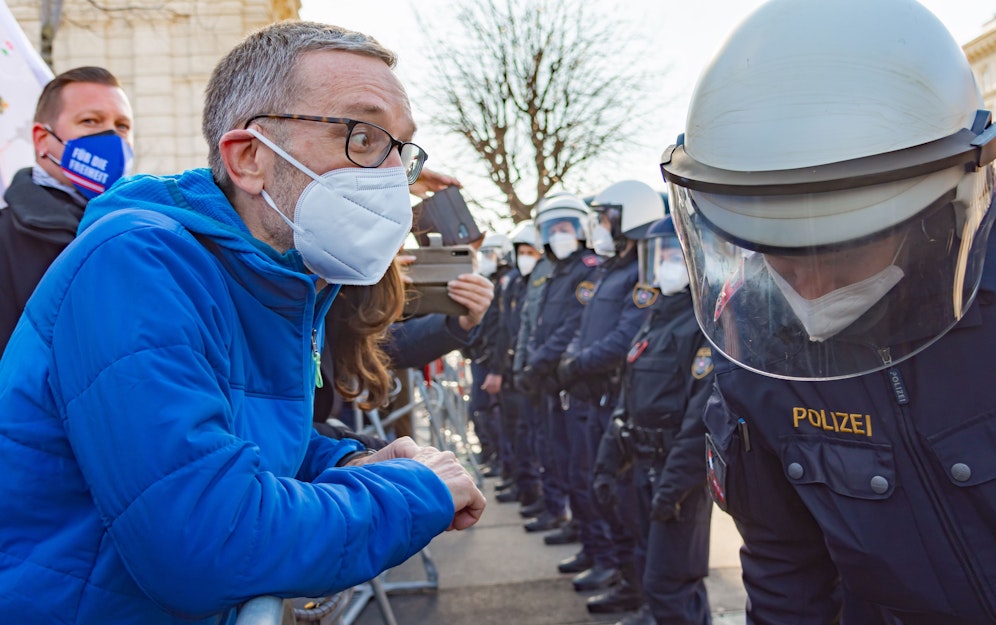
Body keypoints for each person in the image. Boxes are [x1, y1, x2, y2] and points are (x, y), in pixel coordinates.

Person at [0, 21, 486, 624]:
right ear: (250, 158)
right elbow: (205, 540)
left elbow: (233, 441)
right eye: (362, 136)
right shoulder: (137, 261)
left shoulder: (263, 279)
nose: (391, 175)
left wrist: (343, 464)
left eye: (402, 150)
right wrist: (418, 494)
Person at [659, 0, 996, 622]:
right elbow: (786, 568)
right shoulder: (759, 357)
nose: (808, 284)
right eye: (778, 251)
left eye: (840, 246)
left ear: (942, 208)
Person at [594, 216, 714, 625]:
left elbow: (701, 421)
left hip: (675, 476)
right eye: (659, 254)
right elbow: (627, 396)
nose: (665, 263)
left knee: (671, 583)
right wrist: (607, 461)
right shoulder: (657, 316)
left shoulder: (704, 323)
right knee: (655, 575)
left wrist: (674, 487)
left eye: (673, 254)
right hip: (642, 467)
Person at [554, 180, 664, 605]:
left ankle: (633, 584)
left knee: (620, 497)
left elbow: (624, 338)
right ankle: (616, 569)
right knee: (593, 485)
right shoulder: (610, 268)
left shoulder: (642, 273)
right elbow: (583, 329)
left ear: (627, 218)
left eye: (605, 217)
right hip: (589, 397)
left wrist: (575, 363)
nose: (598, 226)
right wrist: (570, 358)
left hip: (614, 400)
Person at [0, 66, 134, 355]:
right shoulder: (5, 238)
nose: (112, 136)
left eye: (122, 126)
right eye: (90, 121)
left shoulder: (149, 227)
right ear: (41, 139)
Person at [521, 192, 602, 538]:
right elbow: (540, 321)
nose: (560, 234)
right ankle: (578, 529)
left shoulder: (588, 268)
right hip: (551, 379)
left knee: (579, 465)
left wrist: (539, 362)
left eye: (567, 227)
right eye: (554, 228)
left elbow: (572, 323)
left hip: (570, 378)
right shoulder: (556, 270)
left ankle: (594, 539)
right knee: (558, 457)